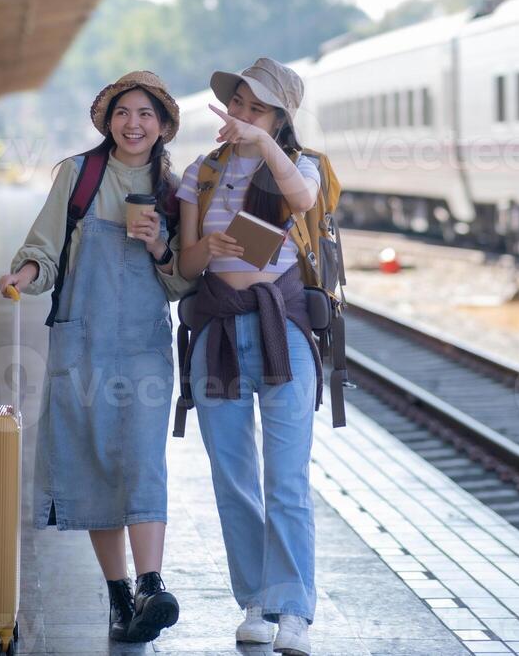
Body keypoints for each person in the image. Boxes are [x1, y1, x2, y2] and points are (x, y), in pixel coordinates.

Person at [0, 71, 195, 644]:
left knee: (141, 458)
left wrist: (159, 244)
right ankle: (118, 596)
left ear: (162, 125)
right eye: (123, 113)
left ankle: (151, 584)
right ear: (107, 120)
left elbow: (182, 281)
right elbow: (44, 247)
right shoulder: (78, 176)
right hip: (80, 341)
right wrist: (24, 274)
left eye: (145, 114)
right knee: (95, 463)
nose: (133, 124)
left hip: (144, 346)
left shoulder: (175, 188)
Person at [176, 57, 323, 656]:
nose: (239, 114)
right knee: (233, 478)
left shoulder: (299, 164)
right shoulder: (200, 172)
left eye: (255, 107)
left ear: (280, 118)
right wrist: (206, 245)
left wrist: (262, 143)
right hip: (216, 335)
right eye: (237, 103)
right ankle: (256, 602)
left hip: (281, 330)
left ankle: (293, 611)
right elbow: (186, 266)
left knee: (286, 478)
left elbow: (304, 199)